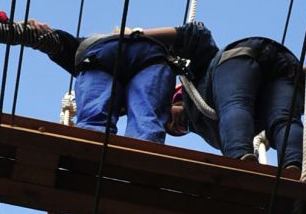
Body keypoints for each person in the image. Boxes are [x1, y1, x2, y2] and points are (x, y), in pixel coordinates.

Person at [21, 19, 218, 143]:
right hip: (144, 55)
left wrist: (44, 37)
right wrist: (136, 36)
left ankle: (91, 145)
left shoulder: (127, 100)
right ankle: (106, 149)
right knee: (145, 126)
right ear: (174, 99)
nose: (176, 126)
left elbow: (65, 46)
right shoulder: (164, 89)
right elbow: (195, 34)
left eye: (177, 129)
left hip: (103, 52)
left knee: (97, 118)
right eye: (180, 122)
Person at [165, 37, 305, 173]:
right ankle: (293, 168)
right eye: (174, 132)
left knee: (236, 104)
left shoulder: (191, 85)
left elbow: (196, 36)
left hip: (239, 59)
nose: (172, 126)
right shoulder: (209, 131)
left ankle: (240, 161)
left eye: (168, 119)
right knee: (284, 120)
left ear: (173, 98)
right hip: (281, 65)